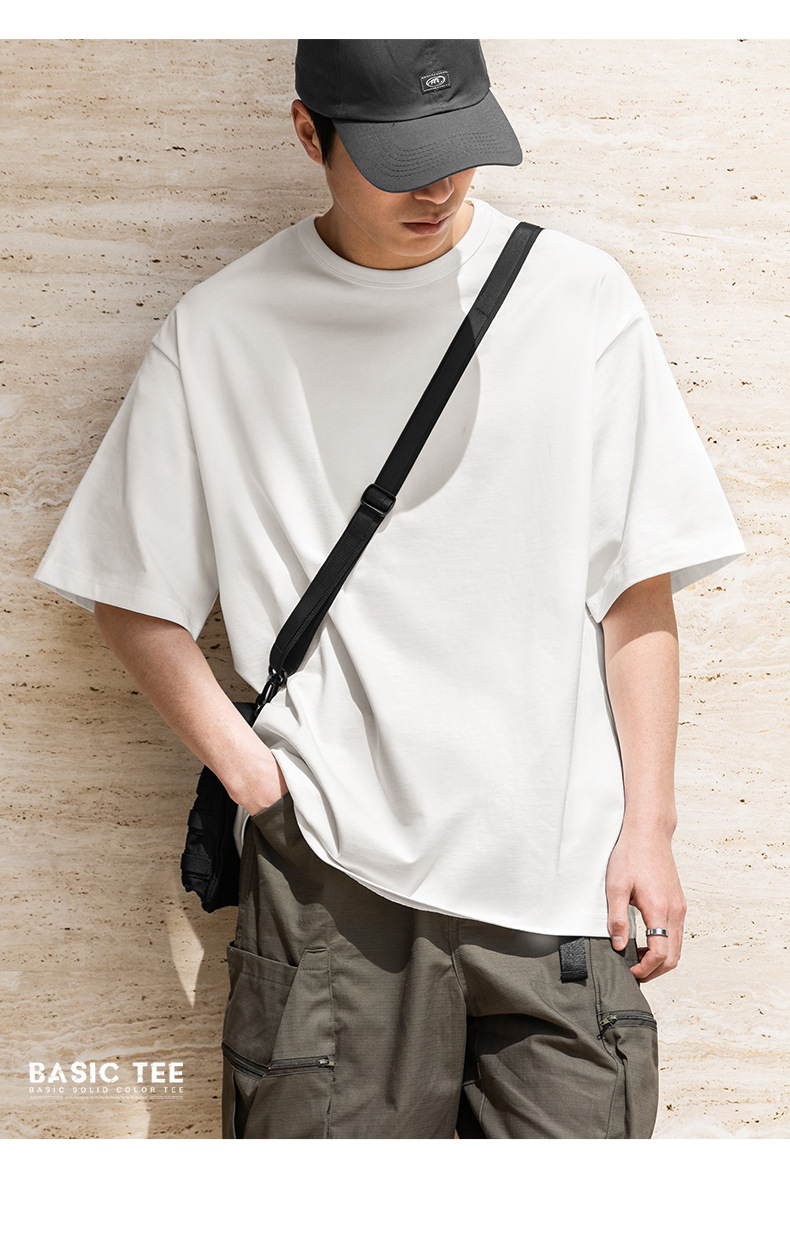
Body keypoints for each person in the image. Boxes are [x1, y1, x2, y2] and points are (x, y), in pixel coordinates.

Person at [35, 39, 745, 1139]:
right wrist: (256, 780)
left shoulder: (576, 299)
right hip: (333, 883)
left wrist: (647, 827)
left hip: (560, 883)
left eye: (459, 150)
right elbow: (129, 591)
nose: (437, 187)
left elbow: (635, 591)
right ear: (308, 133)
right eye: (397, 160)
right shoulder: (224, 329)